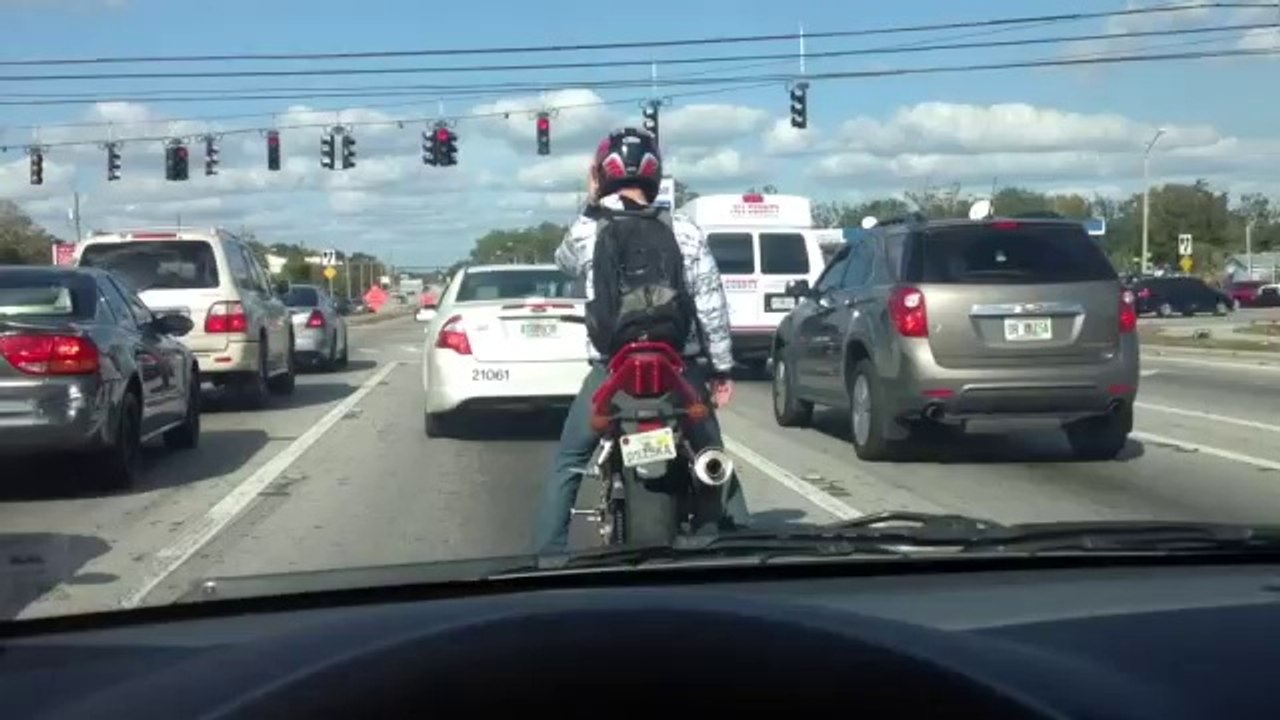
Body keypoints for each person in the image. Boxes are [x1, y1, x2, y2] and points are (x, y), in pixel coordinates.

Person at [531, 127, 751, 554]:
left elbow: (564, 263)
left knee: (570, 462)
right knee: (711, 451)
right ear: (655, 174)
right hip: (677, 365)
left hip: (612, 367)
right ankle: (742, 545)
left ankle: (549, 558)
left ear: (602, 174)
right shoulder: (684, 229)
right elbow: (711, 305)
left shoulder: (589, 230)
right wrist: (722, 368)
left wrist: (591, 202)